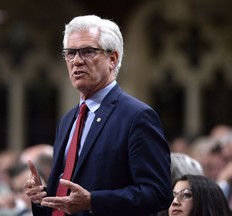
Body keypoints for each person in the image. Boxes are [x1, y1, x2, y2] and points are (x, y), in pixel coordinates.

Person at [24, 15, 172, 216]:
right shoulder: (67, 120)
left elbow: (158, 193)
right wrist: (42, 198)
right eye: (70, 53)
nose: (76, 61)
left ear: (112, 59)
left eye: (87, 52)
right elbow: (66, 202)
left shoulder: (137, 117)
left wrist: (93, 201)